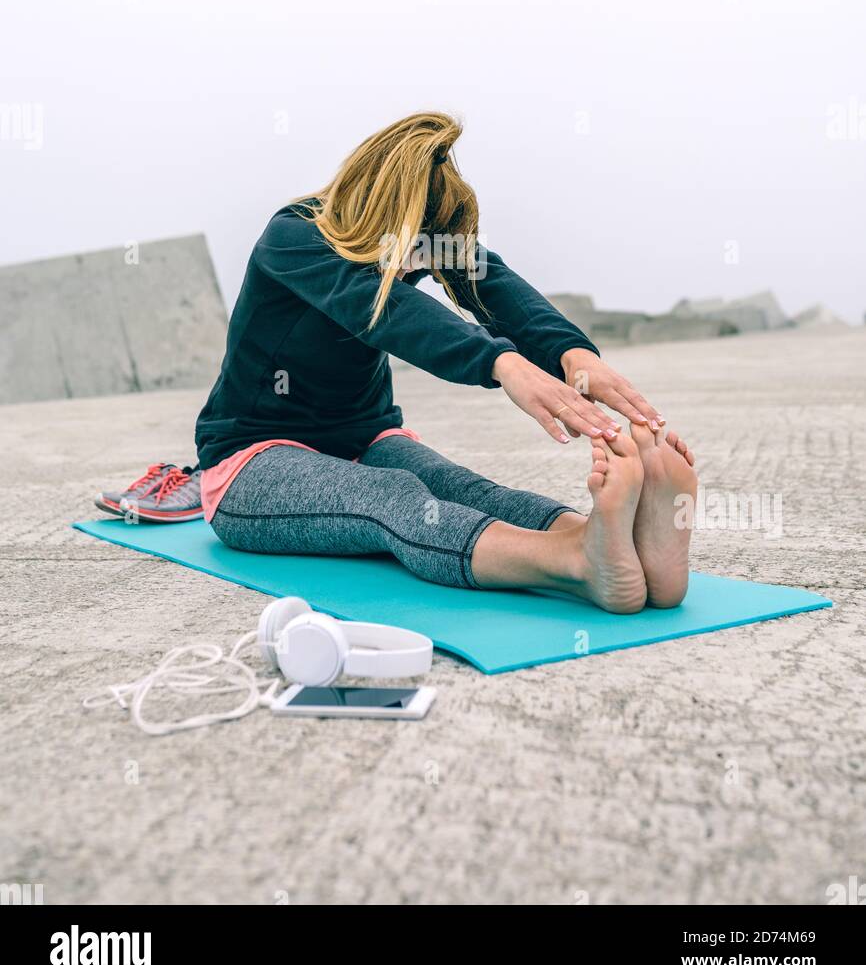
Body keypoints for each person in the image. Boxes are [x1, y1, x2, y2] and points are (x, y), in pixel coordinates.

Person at [195, 112, 696, 613]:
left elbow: (492, 282)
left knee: (467, 490)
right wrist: (504, 363)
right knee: (394, 498)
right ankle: (577, 561)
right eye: (409, 248)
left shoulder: (414, 241)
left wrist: (574, 354)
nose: (413, 264)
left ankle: (615, 544)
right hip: (251, 462)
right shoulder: (293, 237)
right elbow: (388, 311)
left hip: (367, 440)